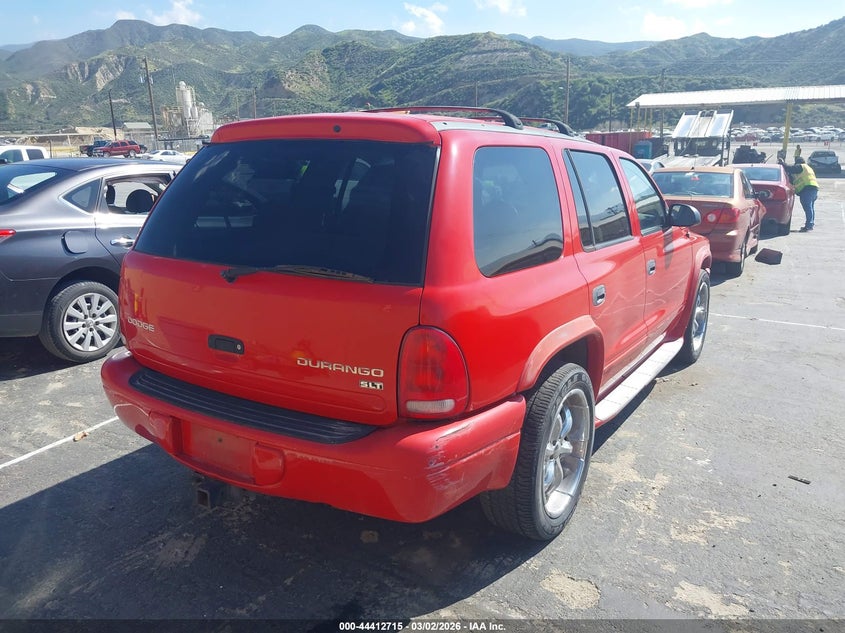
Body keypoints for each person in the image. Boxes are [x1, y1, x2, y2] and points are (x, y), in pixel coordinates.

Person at [779, 156, 818, 231]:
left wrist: (783, 164)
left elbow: (790, 168)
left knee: (808, 207)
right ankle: (810, 224)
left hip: (807, 189)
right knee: (810, 208)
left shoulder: (801, 166)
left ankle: (809, 225)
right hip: (813, 189)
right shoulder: (808, 168)